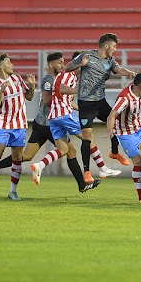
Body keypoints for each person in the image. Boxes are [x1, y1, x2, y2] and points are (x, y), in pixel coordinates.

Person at [0, 52, 100, 193]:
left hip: (42, 122)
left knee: (27, 156)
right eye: (59, 62)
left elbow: (65, 101)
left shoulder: (60, 79)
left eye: (63, 62)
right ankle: (82, 183)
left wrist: (78, 106)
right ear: (51, 64)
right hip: (49, 123)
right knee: (70, 150)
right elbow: (47, 100)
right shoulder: (48, 80)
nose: (62, 65)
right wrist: (62, 95)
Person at [31, 53, 121, 185]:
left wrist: (80, 108)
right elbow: (63, 89)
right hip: (64, 115)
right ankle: (103, 168)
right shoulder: (69, 74)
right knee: (89, 137)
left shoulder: (61, 76)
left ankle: (40, 165)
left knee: (63, 150)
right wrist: (80, 90)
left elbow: (61, 97)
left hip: (54, 117)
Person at [64, 33, 136, 180]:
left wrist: (129, 73)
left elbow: (119, 69)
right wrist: (80, 64)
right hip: (86, 103)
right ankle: (87, 172)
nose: (115, 50)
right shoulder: (87, 55)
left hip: (100, 102)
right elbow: (67, 67)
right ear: (106, 46)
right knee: (86, 136)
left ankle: (114, 152)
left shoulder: (110, 61)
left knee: (116, 122)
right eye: (114, 46)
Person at [0, 53, 35, 201]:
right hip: (3, 123)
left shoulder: (17, 79)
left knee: (17, 158)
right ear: (1, 67)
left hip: (20, 124)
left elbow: (29, 97)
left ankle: (13, 191)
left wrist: (32, 86)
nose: (12, 65)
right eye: (9, 62)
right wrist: (1, 91)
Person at [105, 73, 141, 205]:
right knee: (138, 161)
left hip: (139, 126)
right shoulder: (125, 99)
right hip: (126, 133)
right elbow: (112, 114)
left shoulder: (136, 86)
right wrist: (110, 131)